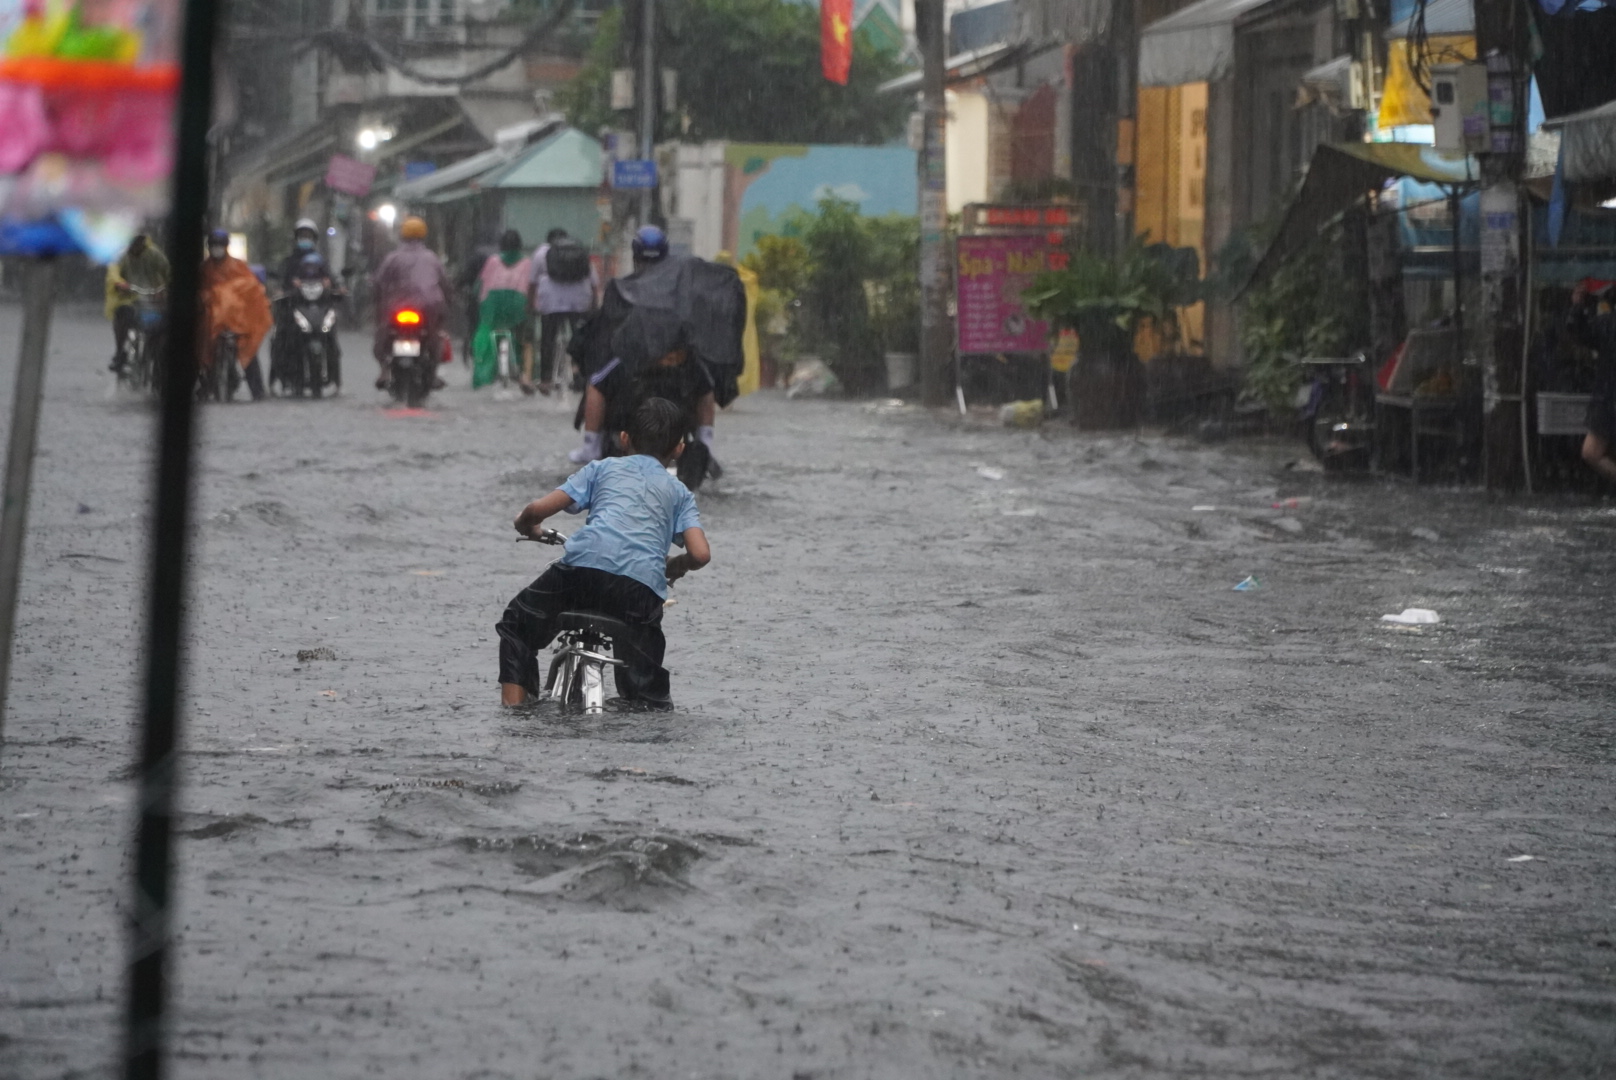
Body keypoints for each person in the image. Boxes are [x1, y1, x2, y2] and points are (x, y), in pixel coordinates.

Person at [497, 397, 710, 707]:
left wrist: (526, 525)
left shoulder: (602, 468)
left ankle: (513, 712)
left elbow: (536, 509)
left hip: (581, 574)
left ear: (624, 438)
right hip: (638, 591)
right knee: (645, 687)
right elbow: (701, 554)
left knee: (517, 626)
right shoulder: (679, 492)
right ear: (679, 448)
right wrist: (677, 564)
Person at [567, 226, 720, 466]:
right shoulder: (681, 289)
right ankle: (707, 445)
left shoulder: (623, 288)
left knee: (596, 383)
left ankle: (590, 446)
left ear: (636, 255)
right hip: (678, 362)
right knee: (706, 387)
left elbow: (604, 326)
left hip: (634, 362)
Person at [371, 215, 453, 390]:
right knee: (436, 336)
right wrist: (448, 301)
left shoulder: (393, 257)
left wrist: (378, 303)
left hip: (397, 307)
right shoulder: (432, 258)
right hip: (429, 307)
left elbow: (378, 283)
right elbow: (445, 284)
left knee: (382, 334)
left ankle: (385, 371)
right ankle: (433, 373)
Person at [200, 228, 272, 400]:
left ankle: (258, 390)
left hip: (237, 322)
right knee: (200, 351)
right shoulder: (204, 268)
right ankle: (203, 386)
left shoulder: (237, 266)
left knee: (248, 351)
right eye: (214, 245)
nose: (216, 249)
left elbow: (250, 287)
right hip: (211, 324)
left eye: (220, 245)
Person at [530, 227, 599, 395]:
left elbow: (532, 282)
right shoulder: (580, 251)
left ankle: (546, 380)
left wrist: (531, 304)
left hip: (551, 302)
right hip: (579, 301)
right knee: (581, 338)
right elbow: (594, 283)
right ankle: (579, 374)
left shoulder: (541, 253)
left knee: (548, 340)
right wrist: (594, 306)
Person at [471, 229, 533, 391]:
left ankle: (484, 375)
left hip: (492, 308)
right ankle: (524, 373)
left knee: (485, 334)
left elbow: (479, 285)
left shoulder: (492, 261)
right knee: (524, 339)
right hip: (518, 307)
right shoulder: (527, 262)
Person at [1567, 281, 1616, 481]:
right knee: (1592, 452)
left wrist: (1578, 305)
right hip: (1608, 396)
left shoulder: (1608, 324)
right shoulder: (1608, 325)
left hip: (1608, 397)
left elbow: (1578, 332)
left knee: (1591, 452)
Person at [105, 233, 170, 373]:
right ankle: (120, 353)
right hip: (129, 299)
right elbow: (113, 273)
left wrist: (165, 288)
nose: (136, 247)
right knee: (122, 315)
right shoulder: (121, 256)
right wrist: (120, 284)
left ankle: (159, 357)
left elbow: (168, 271)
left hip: (153, 299)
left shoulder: (154, 255)